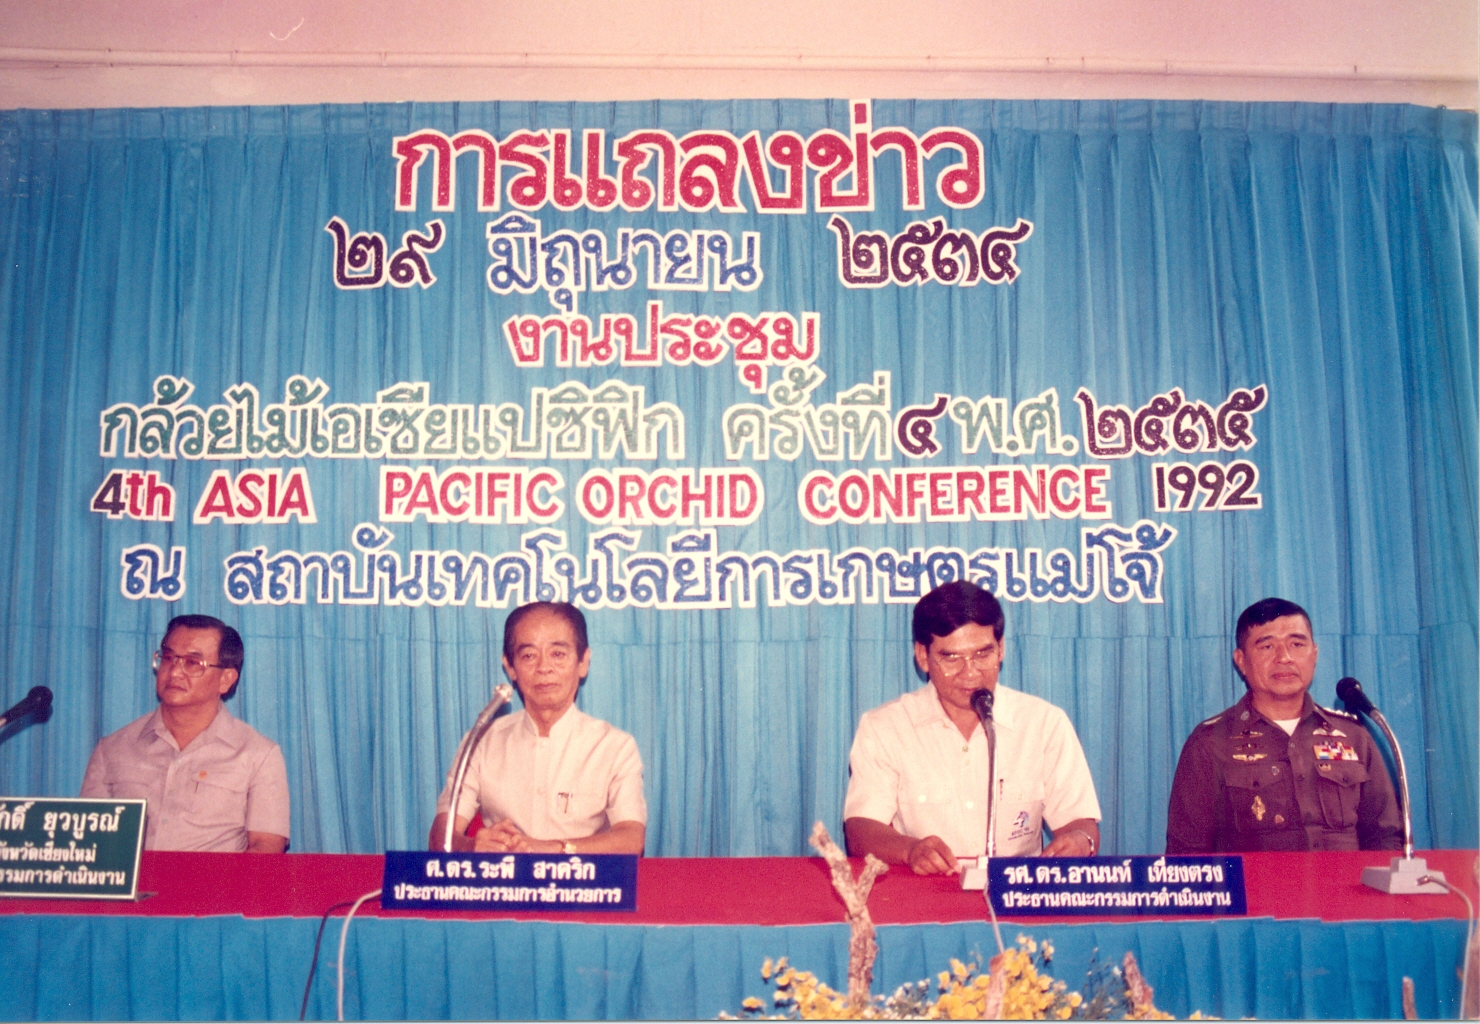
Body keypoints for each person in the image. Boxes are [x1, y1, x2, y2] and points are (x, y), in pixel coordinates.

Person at [843, 580, 1102, 874]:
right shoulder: (885, 727)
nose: (970, 673)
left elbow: (1081, 824)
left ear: (1001, 649)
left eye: (982, 654)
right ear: (923, 656)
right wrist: (910, 850)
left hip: (1014, 891)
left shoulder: (1044, 724)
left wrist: (1080, 841)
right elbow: (861, 829)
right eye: (951, 657)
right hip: (924, 890)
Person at [1165, 597, 1402, 853]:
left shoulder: (1353, 736)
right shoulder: (1211, 743)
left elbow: (1386, 839)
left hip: (1345, 880)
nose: (1284, 657)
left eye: (1297, 644)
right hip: (1255, 881)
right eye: (1267, 646)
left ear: (1314, 654)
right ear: (1241, 660)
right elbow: (1187, 855)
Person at [427, 601, 646, 855]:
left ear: (583, 662)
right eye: (529, 656)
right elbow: (440, 837)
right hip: (503, 878)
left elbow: (632, 840)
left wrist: (549, 849)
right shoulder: (481, 741)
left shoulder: (615, 747)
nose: (544, 668)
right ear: (510, 667)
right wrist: (470, 846)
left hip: (583, 878)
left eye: (558, 654)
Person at [80, 614, 289, 853]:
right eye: (168, 658)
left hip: (215, 879)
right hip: (134, 879)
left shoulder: (258, 755)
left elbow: (266, 848)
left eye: (192, 663)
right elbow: (88, 845)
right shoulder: (112, 749)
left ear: (226, 679)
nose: (174, 672)